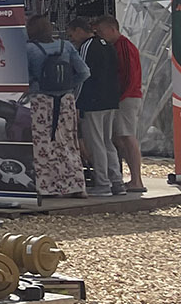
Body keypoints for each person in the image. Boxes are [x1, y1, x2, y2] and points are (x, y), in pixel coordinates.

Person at [25, 15, 89, 198]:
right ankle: (76, 185)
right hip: (66, 101)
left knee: (43, 144)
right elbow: (84, 72)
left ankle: (47, 187)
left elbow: (25, 77)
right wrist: (68, 86)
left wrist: (36, 87)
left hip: (40, 101)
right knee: (67, 142)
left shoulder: (29, 49)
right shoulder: (66, 46)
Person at [67, 16, 124, 196]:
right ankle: (117, 181)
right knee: (107, 141)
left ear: (79, 30)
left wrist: (75, 101)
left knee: (96, 143)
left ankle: (103, 183)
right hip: (110, 100)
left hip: (93, 102)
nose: (71, 39)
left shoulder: (86, 47)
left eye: (71, 35)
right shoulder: (107, 45)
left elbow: (83, 75)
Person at [96, 14, 148, 192]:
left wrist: (118, 97)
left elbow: (128, 75)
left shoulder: (124, 46)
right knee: (120, 137)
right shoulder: (117, 46)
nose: (100, 35)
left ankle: (137, 180)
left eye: (101, 31)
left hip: (126, 97)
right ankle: (133, 178)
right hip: (124, 96)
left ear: (112, 29)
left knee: (127, 136)